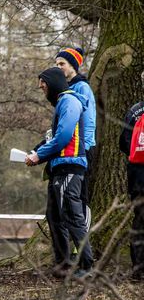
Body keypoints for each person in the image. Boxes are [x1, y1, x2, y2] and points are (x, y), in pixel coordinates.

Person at [25, 67, 93, 278]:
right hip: (59, 168)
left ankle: (86, 266)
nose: (41, 88)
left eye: (43, 84)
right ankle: (63, 264)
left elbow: (63, 137)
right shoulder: (62, 104)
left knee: (72, 216)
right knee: (54, 216)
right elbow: (54, 138)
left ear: (53, 82)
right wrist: (38, 154)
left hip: (70, 167)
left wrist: (38, 155)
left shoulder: (70, 101)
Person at [56, 47, 95, 229]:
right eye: (56, 64)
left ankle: (82, 242)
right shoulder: (66, 88)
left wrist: (85, 147)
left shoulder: (82, 87)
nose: (59, 67)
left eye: (62, 64)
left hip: (82, 149)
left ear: (73, 65)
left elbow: (89, 120)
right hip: (69, 150)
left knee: (81, 197)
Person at [119, 101, 144, 280]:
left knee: (140, 221)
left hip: (138, 177)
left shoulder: (135, 110)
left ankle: (137, 268)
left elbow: (124, 143)